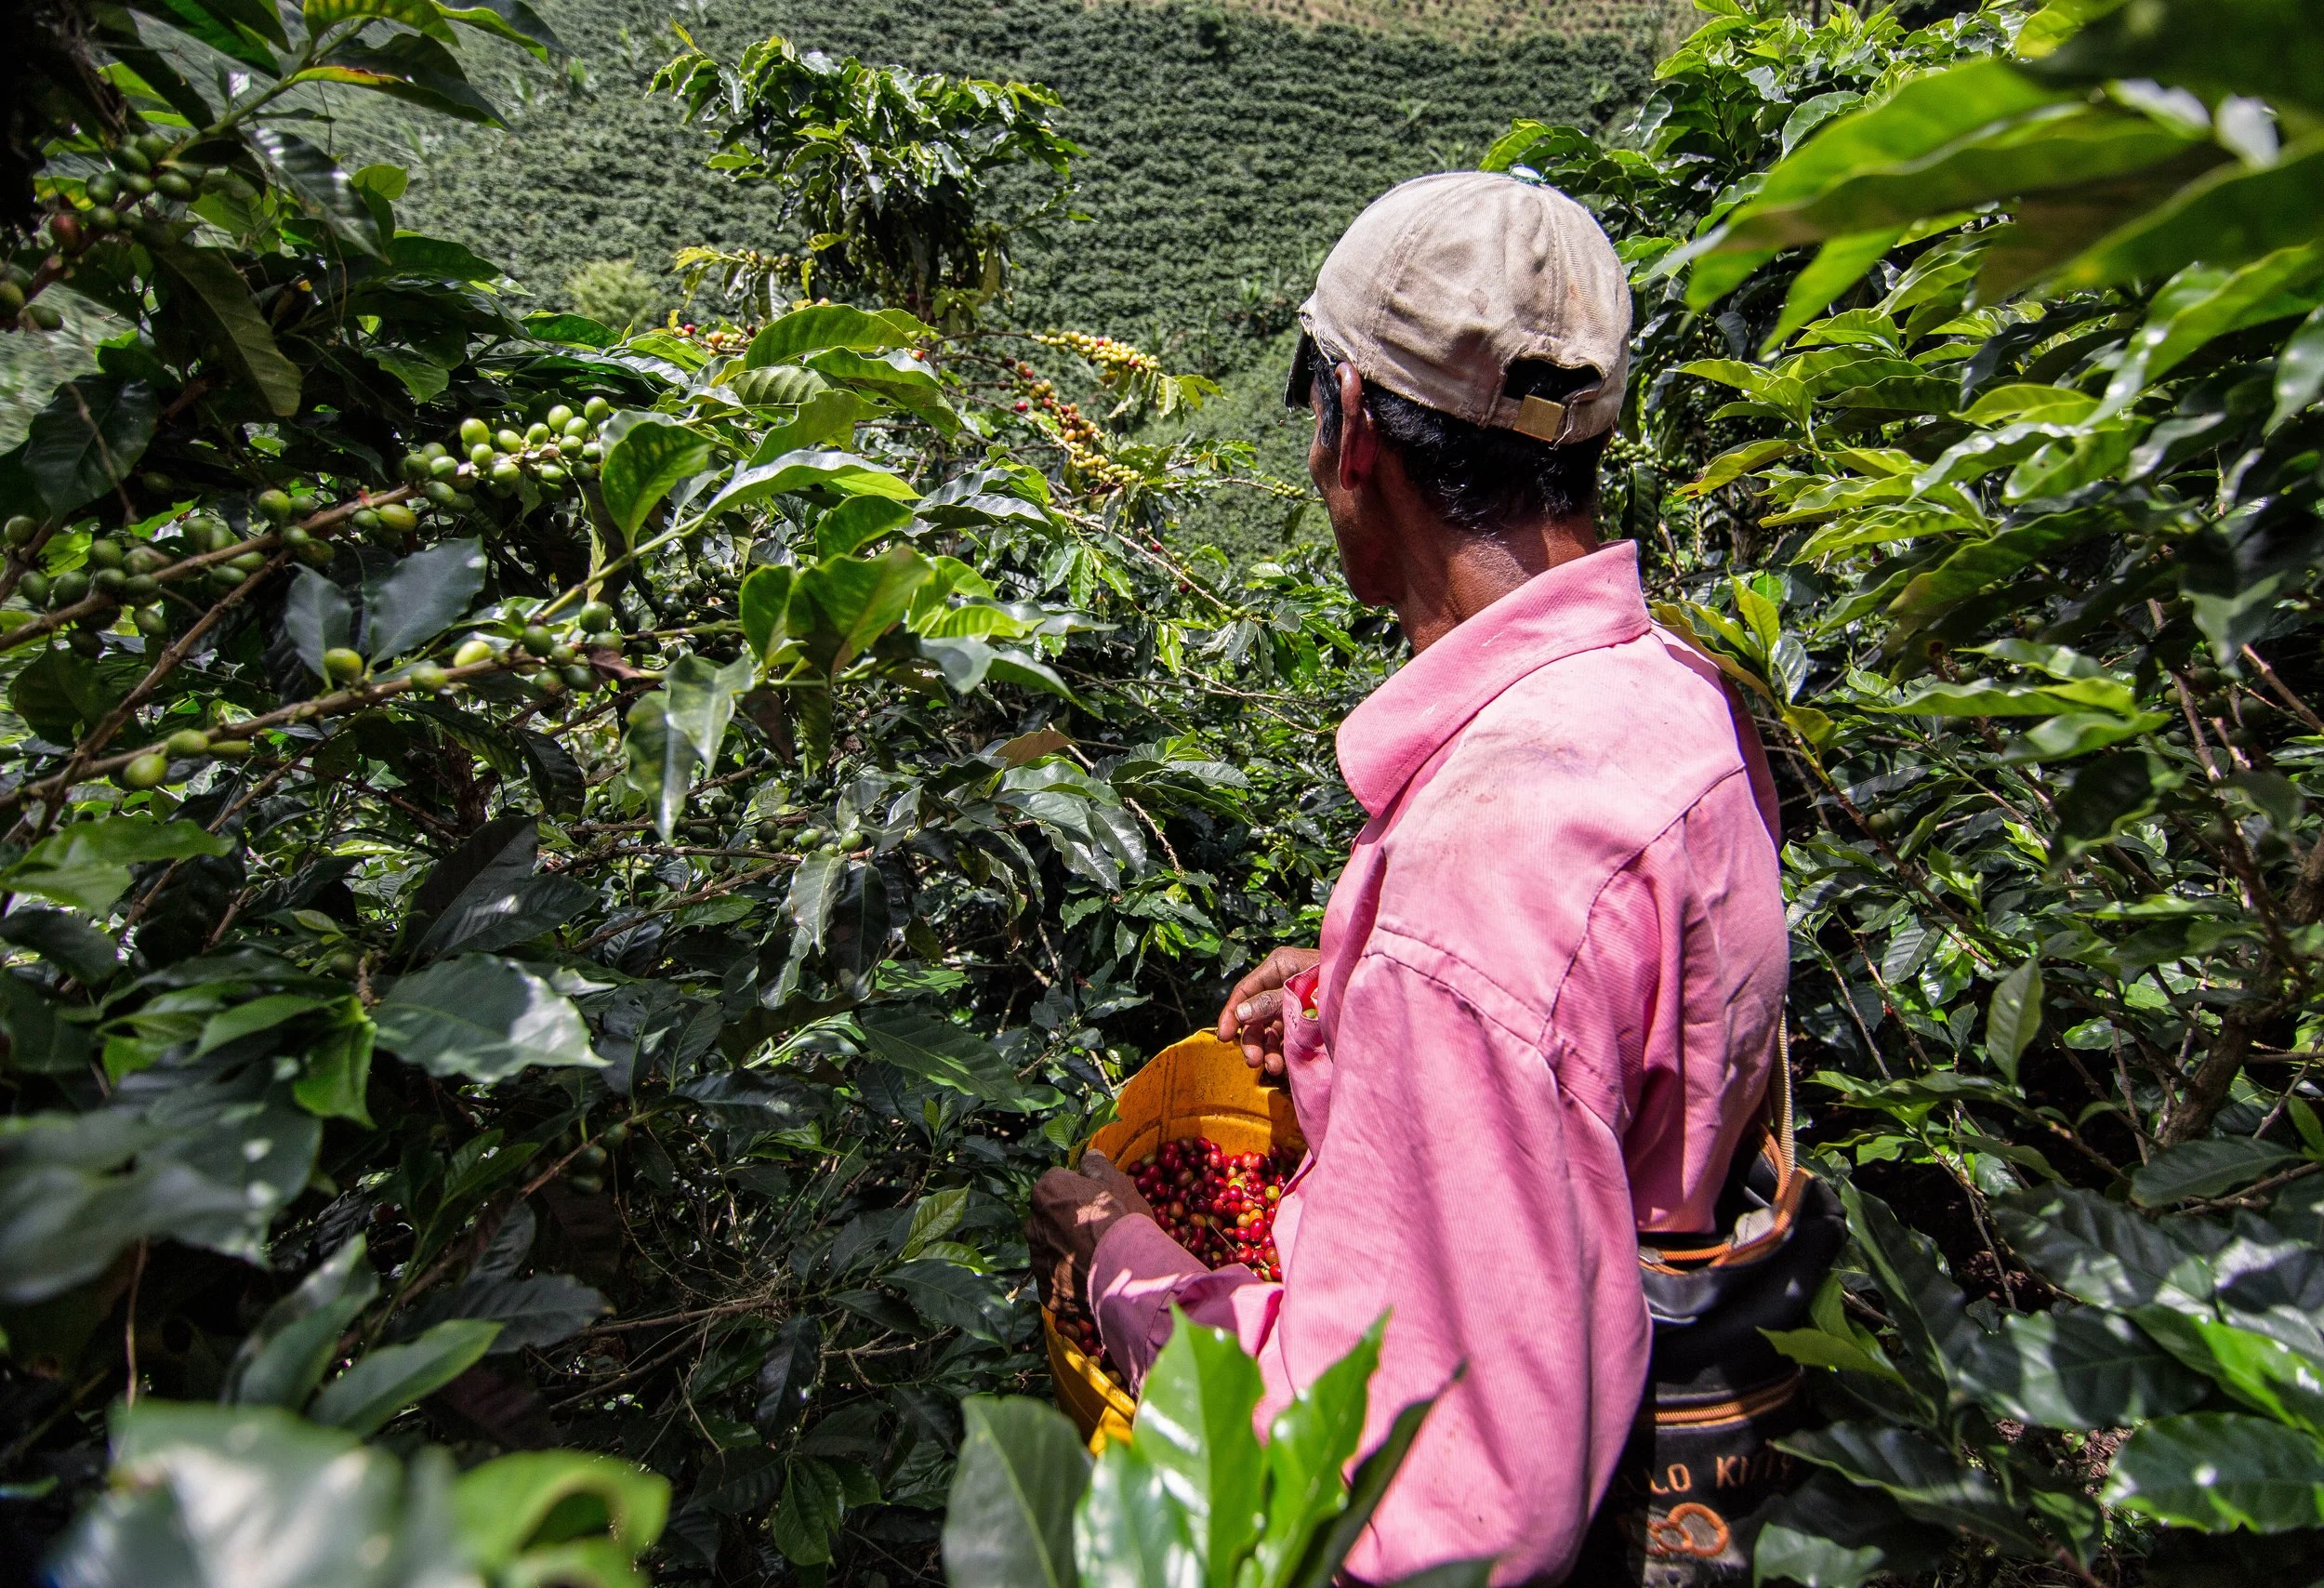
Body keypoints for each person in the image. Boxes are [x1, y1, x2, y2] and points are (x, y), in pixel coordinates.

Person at [1026, 170, 1789, 1585]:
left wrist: (1118, 1267)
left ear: (1353, 427)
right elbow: (1614, 1051)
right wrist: (1348, 1004)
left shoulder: (1478, 885)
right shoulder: (1670, 696)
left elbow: (1436, 1508)